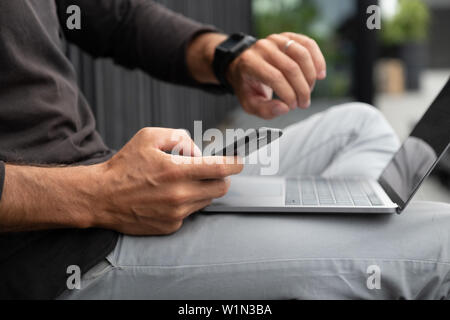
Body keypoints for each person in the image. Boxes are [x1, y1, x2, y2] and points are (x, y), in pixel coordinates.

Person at [0, 0, 449, 300]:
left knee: (360, 126)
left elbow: (115, 17)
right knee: (441, 243)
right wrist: (99, 194)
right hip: (56, 254)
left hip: (99, 186)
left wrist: (231, 55)